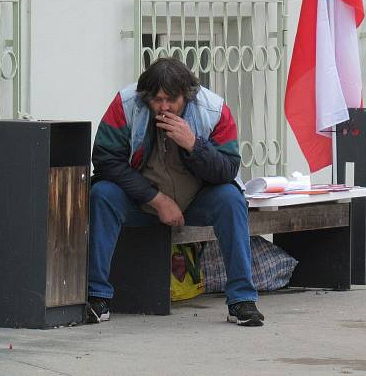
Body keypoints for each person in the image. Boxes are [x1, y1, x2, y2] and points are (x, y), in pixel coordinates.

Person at [87, 57, 264, 327]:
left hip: (195, 201)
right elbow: (104, 159)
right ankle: (96, 297)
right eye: (156, 100)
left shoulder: (213, 109)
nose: (164, 107)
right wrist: (156, 200)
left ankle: (241, 300)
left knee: (231, 199)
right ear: (145, 96)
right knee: (101, 194)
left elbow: (228, 169)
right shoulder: (126, 104)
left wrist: (194, 145)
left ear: (187, 96)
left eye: (171, 100)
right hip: (141, 200)